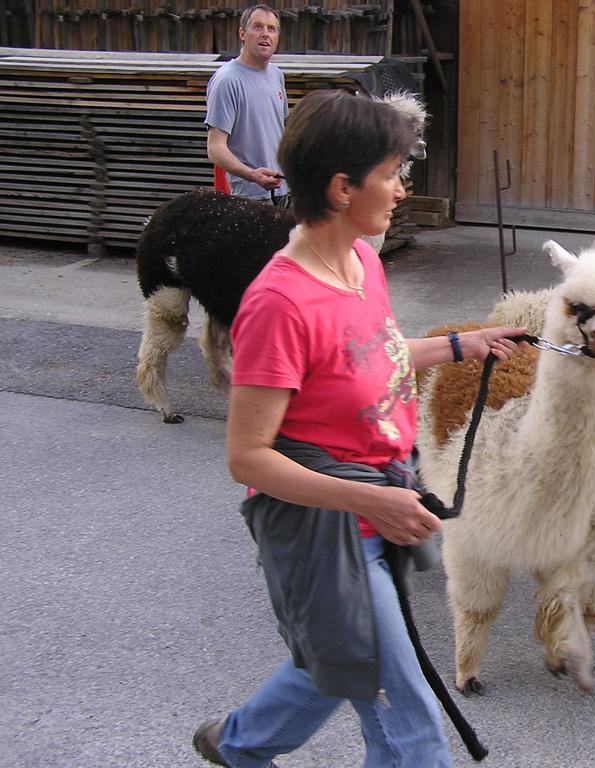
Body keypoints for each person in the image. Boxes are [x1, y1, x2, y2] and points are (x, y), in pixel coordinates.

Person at [191, 90, 525, 767]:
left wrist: (468, 343)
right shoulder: (280, 303)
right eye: (393, 174)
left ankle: (237, 745)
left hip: (376, 506)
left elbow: (375, 354)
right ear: (343, 187)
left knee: (338, 658)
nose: (403, 190)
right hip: (325, 528)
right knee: (412, 731)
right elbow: (248, 458)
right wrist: (371, 499)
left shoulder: (361, 264)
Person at [205, 4, 289, 205]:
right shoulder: (227, 80)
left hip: (282, 191)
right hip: (248, 197)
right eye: (258, 27)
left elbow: (282, 134)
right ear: (242, 33)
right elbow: (215, 148)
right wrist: (252, 175)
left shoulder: (277, 75)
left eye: (271, 29)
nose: (265, 34)